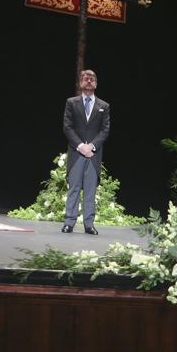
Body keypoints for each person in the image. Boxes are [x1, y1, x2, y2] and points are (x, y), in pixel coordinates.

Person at [62, 68, 110, 235]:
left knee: (90, 190)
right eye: (86, 78)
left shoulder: (104, 106)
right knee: (74, 188)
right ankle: (69, 222)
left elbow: (105, 130)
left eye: (92, 78)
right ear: (80, 83)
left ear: (96, 83)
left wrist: (92, 147)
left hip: (93, 155)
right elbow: (67, 128)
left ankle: (89, 224)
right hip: (77, 153)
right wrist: (81, 146)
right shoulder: (71, 102)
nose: (89, 80)